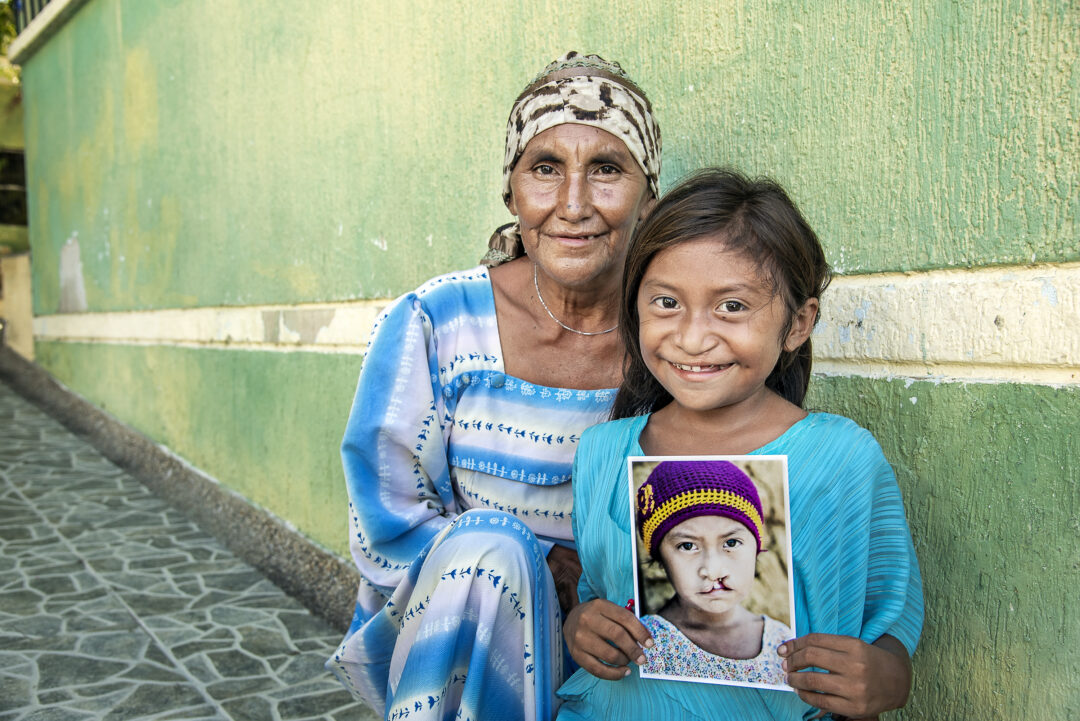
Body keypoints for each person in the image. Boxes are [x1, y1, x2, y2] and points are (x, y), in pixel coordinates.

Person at [326, 51, 662, 721]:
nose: (573, 204)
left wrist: (592, 595)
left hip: (616, 632)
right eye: (545, 169)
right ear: (511, 192)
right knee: (490, 550)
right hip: (459, 630)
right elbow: (385, 517)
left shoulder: (674, 334)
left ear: (648, 194)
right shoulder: (437, 320)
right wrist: (539, 575)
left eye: (605, 169)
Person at [558, 168, 924, 720]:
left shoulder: (838, 459)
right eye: (665, 303)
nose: (692, 337)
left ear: (798, 324)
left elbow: (888, 621)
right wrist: (582, 628)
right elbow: (597, 595)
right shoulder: (602, 454)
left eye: (731, 306)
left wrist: (887, 677)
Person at [634, 460, 792, 686]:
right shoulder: (644, 642)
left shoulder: (781, 639)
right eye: (687, 546)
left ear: (756, 547)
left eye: (732, 542)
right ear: (660, 559)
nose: (713, 570)